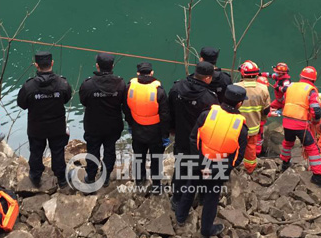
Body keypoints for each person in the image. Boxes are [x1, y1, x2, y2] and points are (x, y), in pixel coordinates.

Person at [175, 85, 249, 237]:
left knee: (190, 187)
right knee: (211, 198)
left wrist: (199, 161)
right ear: (239, 104)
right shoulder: (241, 128)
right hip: (219, 168)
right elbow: (237, 157)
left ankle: (180, 217)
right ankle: (206, 230)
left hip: (200, 160)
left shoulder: (207, 114)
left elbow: (194, 138)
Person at [17, 52, 72, 189]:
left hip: (36, 127)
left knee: (36, 152)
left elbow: (22, 104)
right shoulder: (62, 83)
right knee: (58, 151)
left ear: (36, 65)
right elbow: (66, 98)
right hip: (57, 126)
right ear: (52, 63)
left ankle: (35, 177)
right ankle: (62, 179)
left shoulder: (29, 86)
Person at [169, 61, 218, 209]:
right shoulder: (210, 98)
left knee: (181, 167)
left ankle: (176, 199)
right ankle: (201, 197)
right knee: (202, 168)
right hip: (201, 140)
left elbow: (169, 112)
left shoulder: (177, 88)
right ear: (208, 78)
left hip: (181, 136)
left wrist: (172, 129)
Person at [277, 66, 321, 188]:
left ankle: (285, 163)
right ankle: (317, 175)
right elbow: (316, 110)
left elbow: (284, 100)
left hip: (287, 121)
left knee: (288, 143)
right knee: (312, 148)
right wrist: (316, 122)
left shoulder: (291, 86)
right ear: (313, 79)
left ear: (301, 76)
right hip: (301, 123)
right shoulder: (311, 90)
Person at [79, 53, 126, 187]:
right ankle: (105, 177)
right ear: (112, 66)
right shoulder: (120, 84)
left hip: (93, 125)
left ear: (97, 66)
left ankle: (91, 176)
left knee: (93, 150)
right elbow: (124, 103)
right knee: (110, 149)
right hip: (113, 125)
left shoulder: (88, 85)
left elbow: (83, 101)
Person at [124, 62, 171, 194]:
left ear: (138, 73)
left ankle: (140, 181)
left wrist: (131, 124)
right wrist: (165, 135)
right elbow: (165, 115)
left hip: (137, 129)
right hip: (155, 132)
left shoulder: (130, 87)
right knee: (156, 160)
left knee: (139, 157)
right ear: (151, 73)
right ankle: (156, 185)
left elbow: (126, 109)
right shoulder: (158, 91)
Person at [234, 60, 270, 173]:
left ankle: (233, 165)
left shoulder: (235, 87)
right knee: (251, 147)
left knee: (234, 145)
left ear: (242, 73)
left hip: (236, 126)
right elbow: (266, 110)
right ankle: (249, 168)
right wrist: (262, 120)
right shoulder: (263, 88)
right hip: (253, 126)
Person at [255, 75, 271, 156]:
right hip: (258, 121)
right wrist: (270, 113)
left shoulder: (253, 93)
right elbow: (265, 110)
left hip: (252, 120)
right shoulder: (264, 95)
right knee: (258, 139)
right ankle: (256, 154)